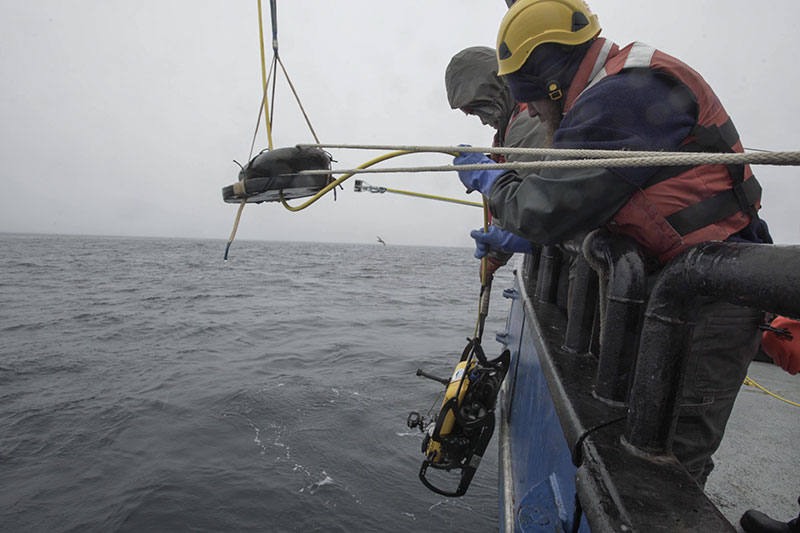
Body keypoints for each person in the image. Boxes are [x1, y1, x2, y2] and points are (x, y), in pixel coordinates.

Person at [453, 0, 774, 488]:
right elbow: (591, 199)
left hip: (712, 298)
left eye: (534, 100)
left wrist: (492, 181)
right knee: (640, 436)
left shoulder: (623, 96)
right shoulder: (611, 90)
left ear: (552, 82)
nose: (535, 112)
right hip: (675, 288)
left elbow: (545, 208)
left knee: (669, 464)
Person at [445, 46, 546, 275]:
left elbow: (526, 208)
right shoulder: (511, 127)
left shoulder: (525, 126)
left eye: (477, 111)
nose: (482, 122)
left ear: (492, 92)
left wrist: (485, 175)